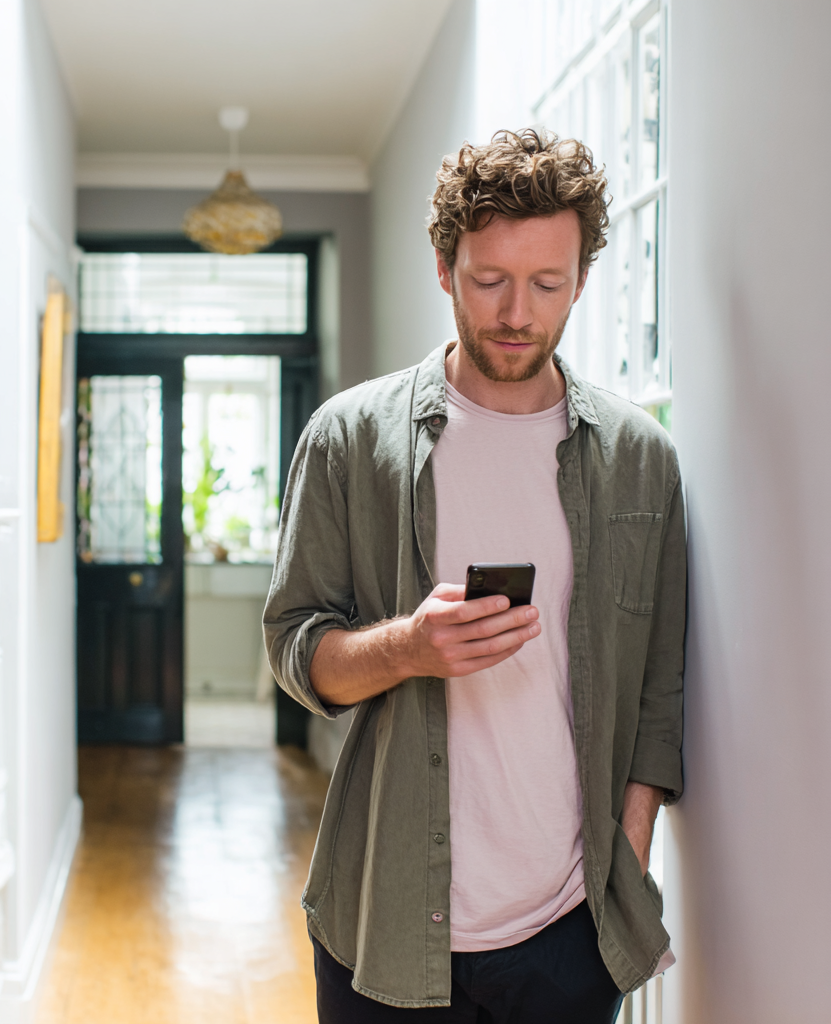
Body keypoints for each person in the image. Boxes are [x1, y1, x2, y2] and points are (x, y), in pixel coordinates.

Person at [263, 129, 685, 1023]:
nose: (517, 313)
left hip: (572, 932)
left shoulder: (640, 459)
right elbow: (295, 651)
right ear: (447, 269)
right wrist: (408, 647)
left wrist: (629, 856)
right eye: (490, 280)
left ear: (581, 279)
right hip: (381, 921)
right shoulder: (348, 440)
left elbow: (659, 688)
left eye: (548, 284)